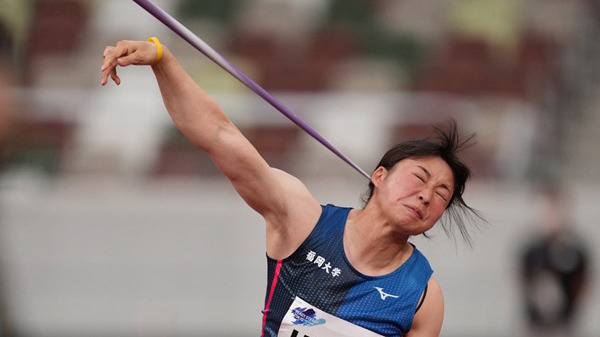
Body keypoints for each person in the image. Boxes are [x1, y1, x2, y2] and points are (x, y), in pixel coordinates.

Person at [101, 38, 481, 337]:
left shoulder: (422, 297)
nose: (426, 195)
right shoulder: (302, 222)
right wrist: (162, 60)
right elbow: (219, 134)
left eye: (442, 195)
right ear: (378, 175)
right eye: (419, 178)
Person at [519, 185, 589, 337]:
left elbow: (582, 282)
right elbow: (523, 278)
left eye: (554, 208)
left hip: (564, 324)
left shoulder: (575, 250)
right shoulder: (532, 250)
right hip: (535, 324)